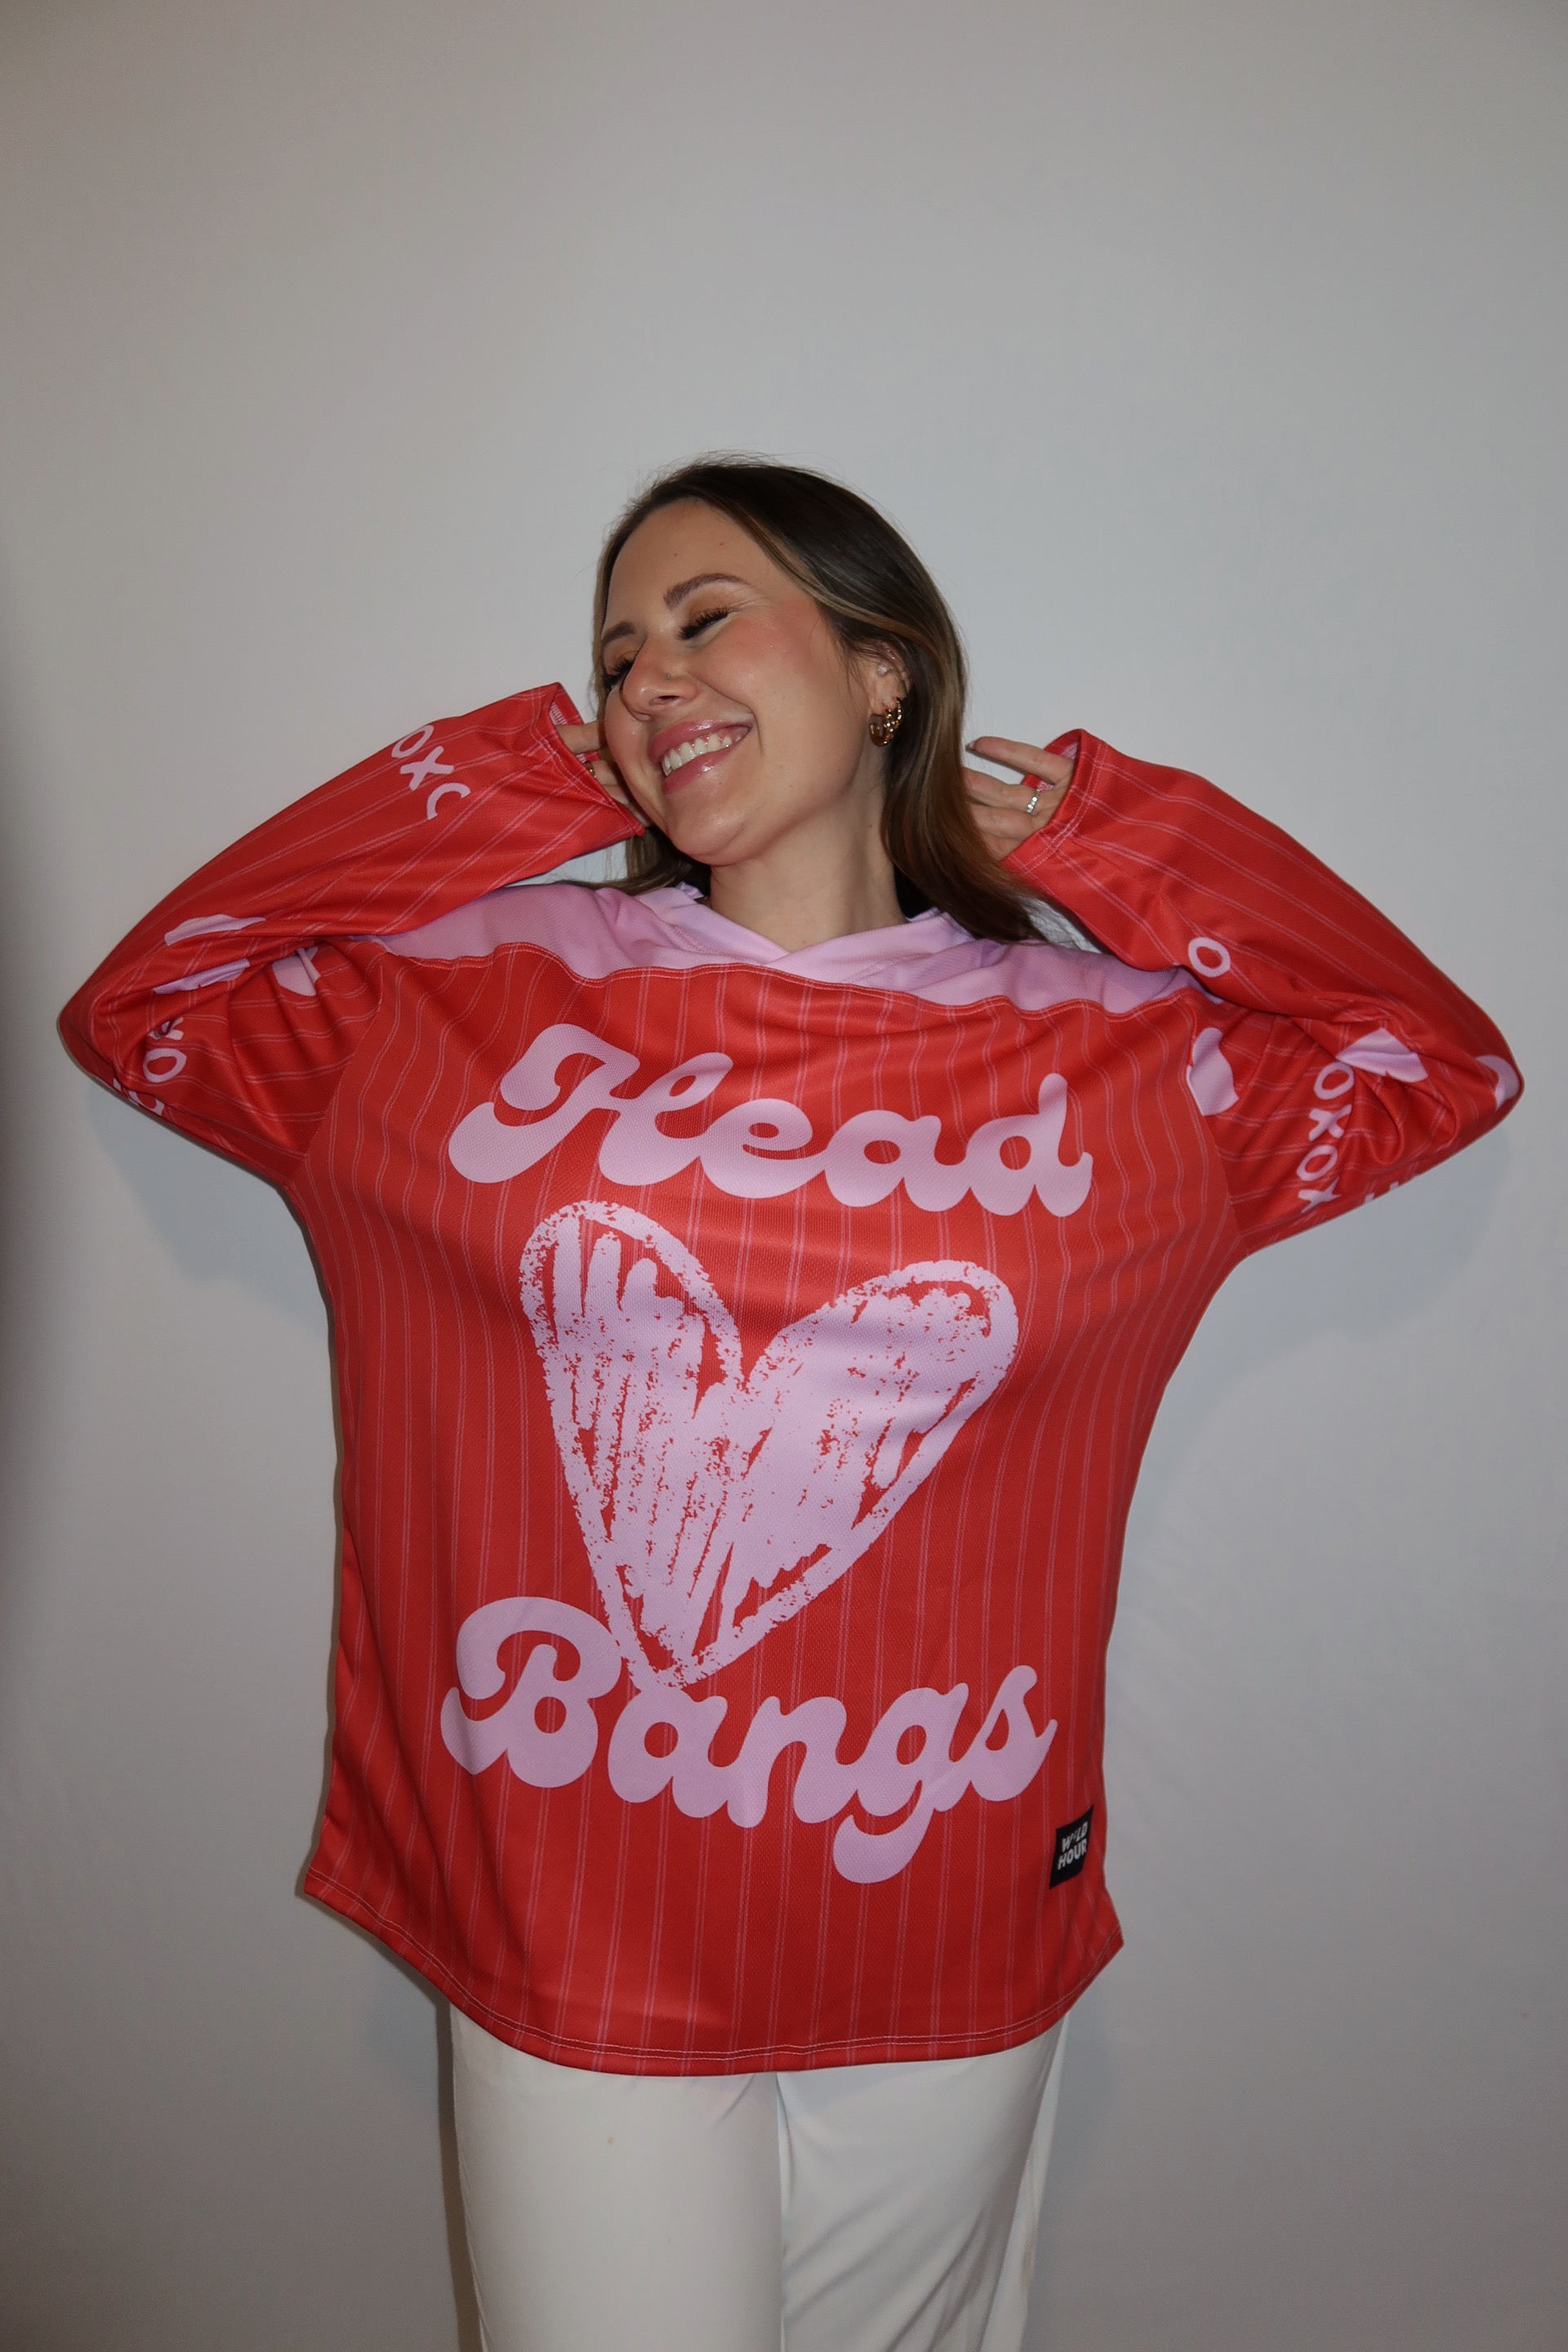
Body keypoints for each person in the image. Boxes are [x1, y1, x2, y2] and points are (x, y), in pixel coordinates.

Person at [59, 457, 1522, 2352]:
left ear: (883, 669)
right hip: (572, 1920)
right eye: (613, 658)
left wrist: (1130, 838)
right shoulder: (462, 1011)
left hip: (950, 1917)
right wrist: (517, 780)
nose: (648, 679)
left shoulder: (1106, 1056)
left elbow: (1434, 1065)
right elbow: (151, 1005)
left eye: (703, 617)